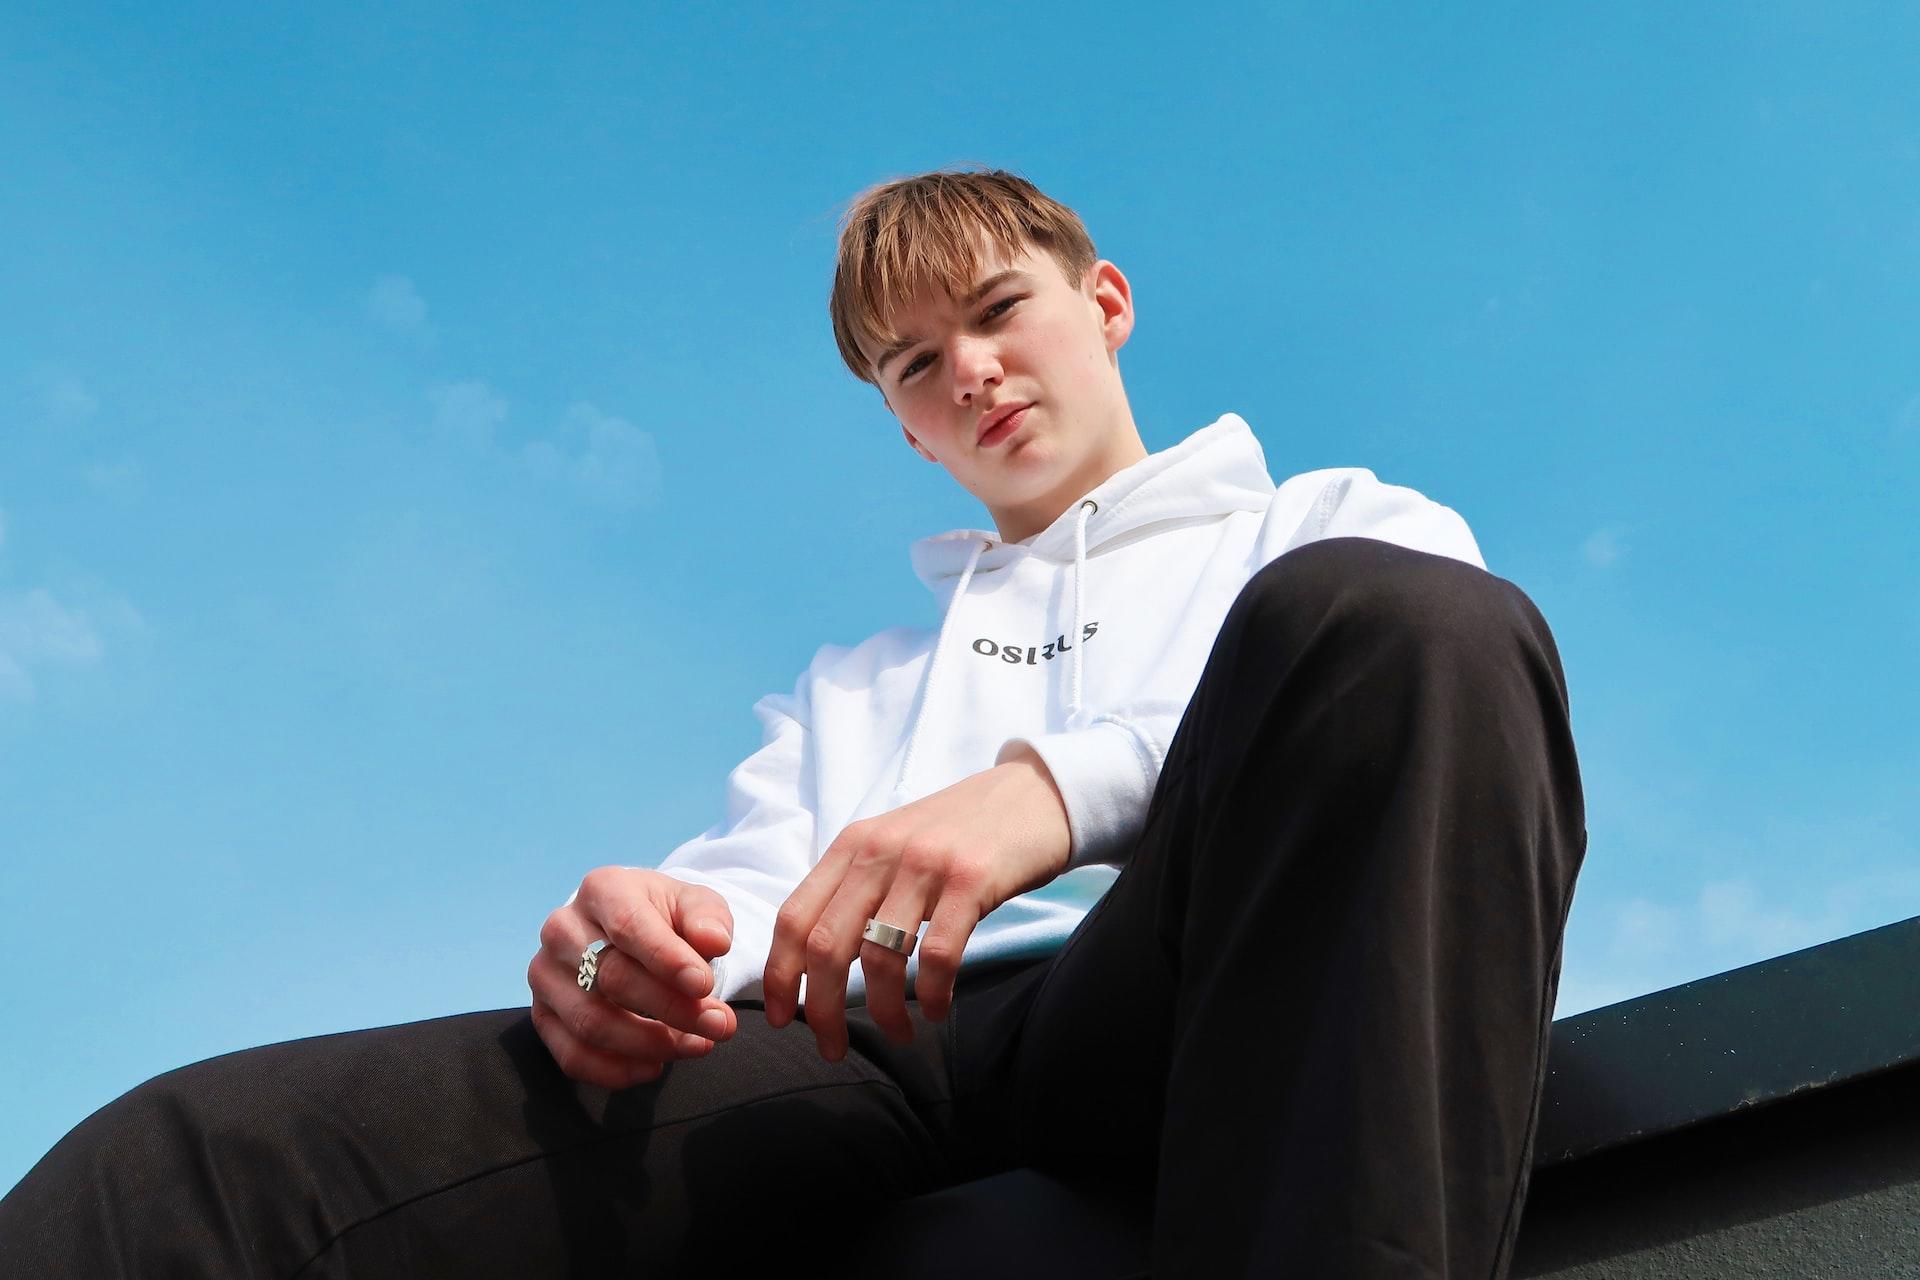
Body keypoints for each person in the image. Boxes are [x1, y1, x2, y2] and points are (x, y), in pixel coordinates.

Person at [0, 167, 1587, 1277]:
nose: (970, 371)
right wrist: (647, 940)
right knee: (187, 1160)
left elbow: (1405, 726)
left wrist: (1047, 793)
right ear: (903, 430)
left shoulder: (1329, 519)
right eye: (914, 363)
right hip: (875, 1041)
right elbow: (758, 899)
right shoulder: (856, 680)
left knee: (1407, 628)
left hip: (1183, 989)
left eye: (996, 311)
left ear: (1102, 302)